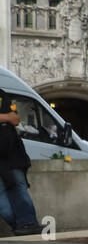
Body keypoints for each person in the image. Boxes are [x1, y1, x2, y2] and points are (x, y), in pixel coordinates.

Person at [0, 98, 39, 236]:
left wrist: (9, 118)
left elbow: (15, 118)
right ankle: (24, 225)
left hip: (12, 155)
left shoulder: (2, 94)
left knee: (18, 188)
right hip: (10, 156)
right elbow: (12, 118)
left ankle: (26, 225)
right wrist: (5, 117)